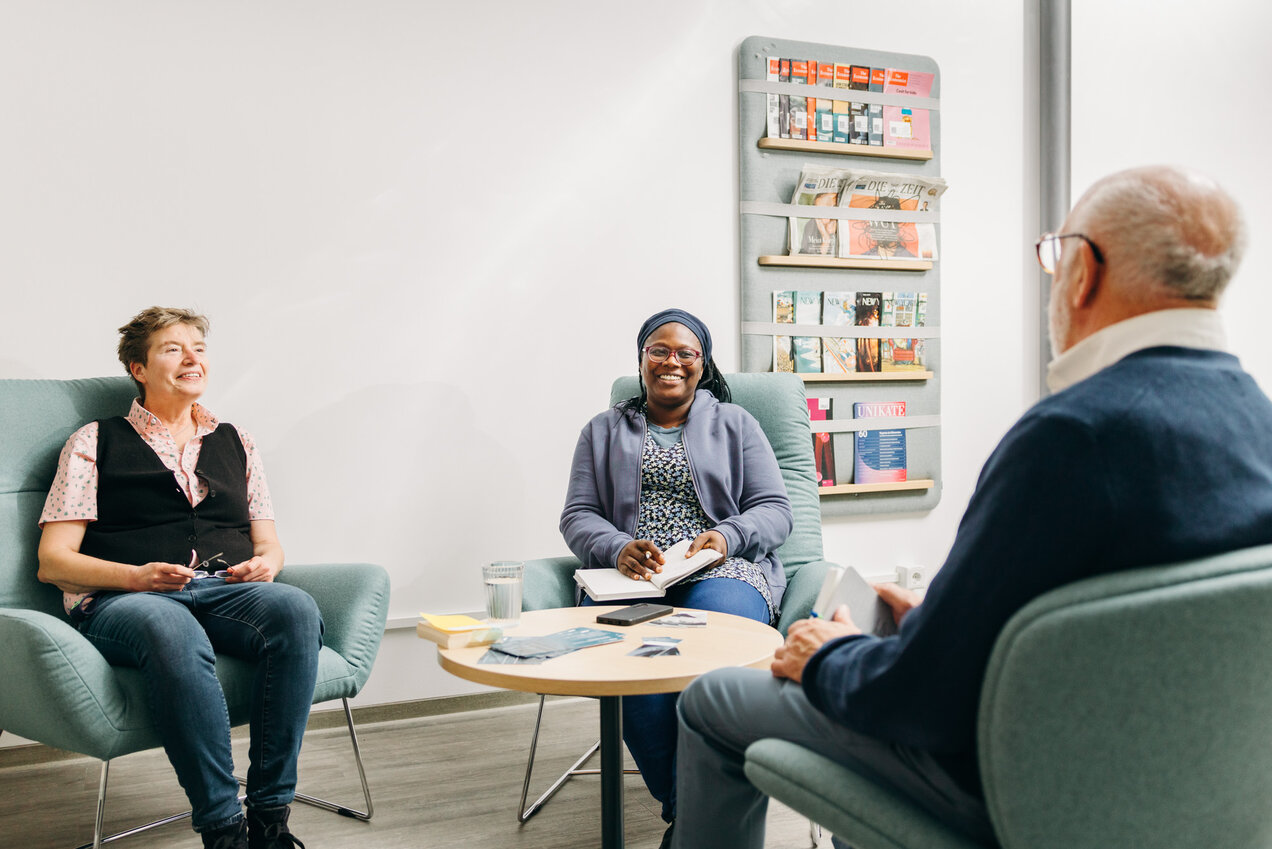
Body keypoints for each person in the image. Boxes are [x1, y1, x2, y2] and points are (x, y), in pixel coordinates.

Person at [671, 164, 1272, 849]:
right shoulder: (1260, 423)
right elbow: (1121, 637)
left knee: (710, 698)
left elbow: (927, 702)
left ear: (1083, 273)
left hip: (1017, 789)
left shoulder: (1071, 437)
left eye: (1055, 255)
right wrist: (934, 623)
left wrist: (828, 657)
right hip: (1177, 794)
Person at [37, 307, 322, 849]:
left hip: (223, 589)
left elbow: (269, 542)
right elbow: (53, 561)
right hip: (122, 599)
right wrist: (135, 577)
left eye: (199, 348)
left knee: (296, 609)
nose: (192, 358)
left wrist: (268, 564)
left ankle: (269, 820)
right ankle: (222, 830)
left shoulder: (237, 440)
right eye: (173, 349)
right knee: (170, 629)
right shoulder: (94, 441)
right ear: (138, 368)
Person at [560, 308, 793, 848]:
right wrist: (617, 547)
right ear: (641, 359)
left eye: (685, 353)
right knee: (636, 679)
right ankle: (689, 814)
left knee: (712, 659)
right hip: (633, 579)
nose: (671, 362)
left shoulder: (736, 424)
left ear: (702, 363)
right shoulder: (601, 430)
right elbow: (577, 515)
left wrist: (728, 537)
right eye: (658, 350)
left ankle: (692, 824)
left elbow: (776, 509)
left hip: (720, 567)